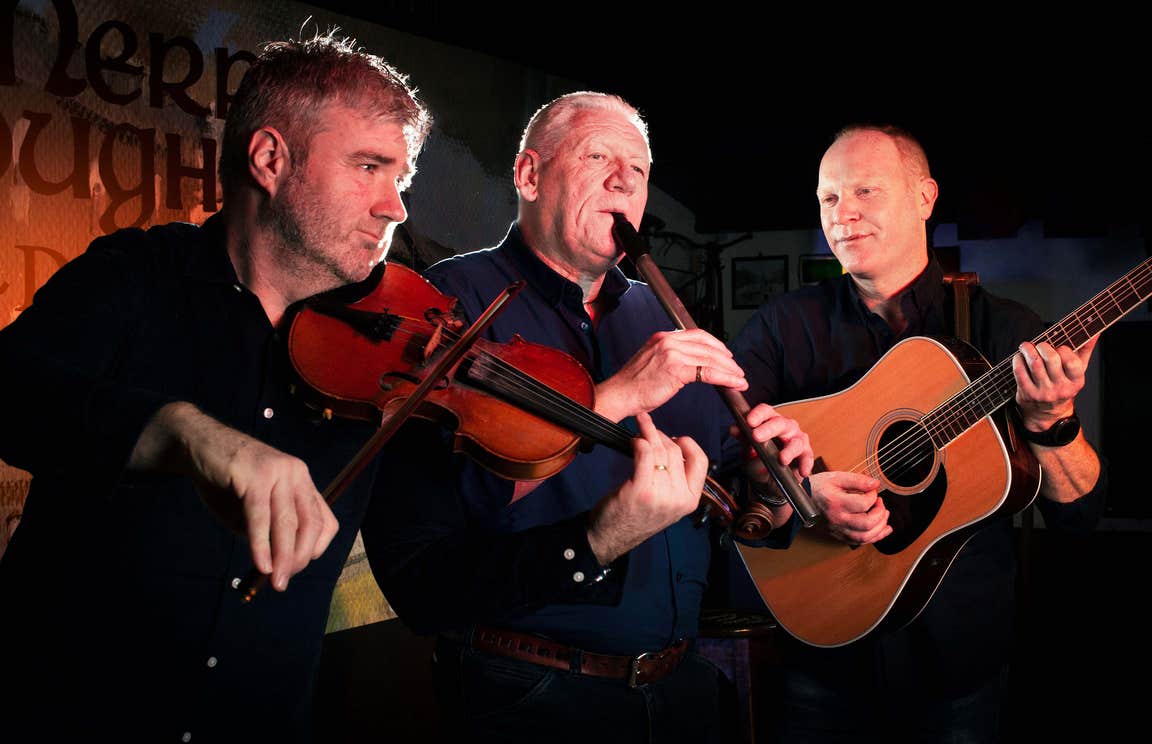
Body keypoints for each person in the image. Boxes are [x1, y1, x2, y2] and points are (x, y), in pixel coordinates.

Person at [0, 31, 431, 742]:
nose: (396, 209)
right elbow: (11, 392)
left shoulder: (383, 356)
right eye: (369, 167)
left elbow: (436, 556)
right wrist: (177, 429)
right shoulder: (134, 275)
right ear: (269, 159)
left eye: (402, 180)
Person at [361, 91, 812, 743]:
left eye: (638, 168)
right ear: (528, 175)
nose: (624, 179)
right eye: (598, 154)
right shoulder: (448, 302)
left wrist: (773, 490)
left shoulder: (665, 319)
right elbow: (424, 565)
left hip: (681, 685)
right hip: (529, 693)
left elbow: (731, 502)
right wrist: (616, 396)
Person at [730, 123, 1107, 742]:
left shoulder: (1008, 331)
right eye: (828, 198)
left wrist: (1050, 423)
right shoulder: (781, 328)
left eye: (865, 192)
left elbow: (1079, 515)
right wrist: (805, 499)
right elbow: (733, 460)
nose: (842, 214)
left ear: (925, 197)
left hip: (960, 666)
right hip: (820, 661)